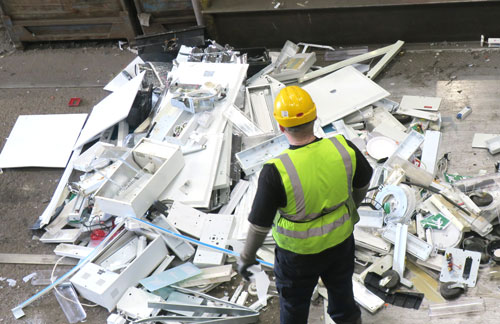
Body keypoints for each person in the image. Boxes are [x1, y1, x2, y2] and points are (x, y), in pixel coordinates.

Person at [237, 86, 373, 324]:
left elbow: (259, 225)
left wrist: (247, 257)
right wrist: (351, 207)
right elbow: (364, 180)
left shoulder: (275, 171)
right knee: (342, 297)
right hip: (340, 244)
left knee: (294, 307)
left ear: (281, 127)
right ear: (314, 116)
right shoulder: (343, 148)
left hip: (297, 256)